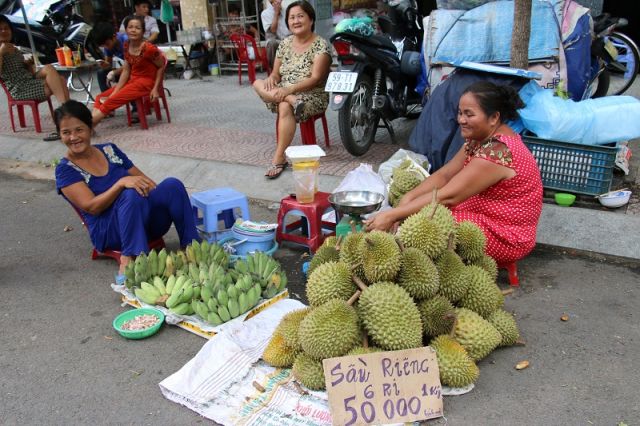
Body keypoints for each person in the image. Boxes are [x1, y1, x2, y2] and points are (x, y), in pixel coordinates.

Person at [365, 82, 543, 264]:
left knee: (427, 223)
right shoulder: (479, 140)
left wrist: (394, 215)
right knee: (417, 211)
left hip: (507, 235)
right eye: (460, 112)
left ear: (493, 118)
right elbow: (445, 175)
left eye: (469, 114)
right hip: (481, 216)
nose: (461, 120)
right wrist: (407, 200)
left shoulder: (498, 150)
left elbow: (449, 196)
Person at [54, 100, 200, 274]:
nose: (73, 137)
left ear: (90, 128)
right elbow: (91, 207)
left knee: (172, 186)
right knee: (130, 194)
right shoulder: (65, 169)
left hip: (144, 221)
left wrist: (162, 200)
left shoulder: (109, 150)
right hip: (110, 232)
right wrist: (120, 184)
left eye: (79, 130)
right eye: (66, 132)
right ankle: (133, 259)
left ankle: (192, 247)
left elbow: (147, 183)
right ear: (59, 135)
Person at [252, 0, 331, 179]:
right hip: (285, 94)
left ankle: (279, 159)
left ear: (311, 20)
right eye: (292, 17)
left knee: (284, 106)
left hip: (311, 96)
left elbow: (315, 78)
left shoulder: (321, 45)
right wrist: (273, 79)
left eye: (300, 16)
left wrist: (289, 90)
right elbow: (275, 74)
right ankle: (290, 101)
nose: (295, 21)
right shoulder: (285, 43)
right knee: (257, 82)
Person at [0, 14, 69, 141]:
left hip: (29, 81)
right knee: (57, 81)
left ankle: (65, 119)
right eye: (0, 29)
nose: (4, 31)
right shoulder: (2, 50)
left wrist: (28, 64)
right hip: (20, 89)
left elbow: (28, 73)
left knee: (55, 74)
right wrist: (1, 52)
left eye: (6, 28)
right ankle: (68, 114)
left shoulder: (14, 49)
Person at [92, 15, 165, 127]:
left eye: (137, 28)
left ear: (143, 31)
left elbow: (161, 66)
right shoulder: (126, 45)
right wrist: (115, 91)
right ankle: (90, 128)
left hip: (145, 82)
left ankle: (86, 127)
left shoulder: (149, 48)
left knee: (110, 101)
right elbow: (126, 70)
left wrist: (155, 88)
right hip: (132, 80)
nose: (133, 30)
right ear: (126, 30)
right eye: (130, 27)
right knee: (99, 98)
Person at [260, 0, 291, 68]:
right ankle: (275, 71)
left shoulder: (288, 10)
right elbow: (273, 30)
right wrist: (276, 13)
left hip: (289, 38)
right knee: (272, 43)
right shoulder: (265, 13)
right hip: (276, 40)